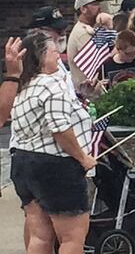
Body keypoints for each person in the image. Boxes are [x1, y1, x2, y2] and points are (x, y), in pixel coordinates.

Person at [10, 33, 97, 254]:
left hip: (24, 162)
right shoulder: (52, 86)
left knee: (40, 236)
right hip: (56, 167)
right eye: (52, 50)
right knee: (71, 237)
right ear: (40, 57)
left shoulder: (24, 88)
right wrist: (82, 157)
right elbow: (60, 129)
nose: (59, 54)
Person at [67, 0, 106, 87]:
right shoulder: (82, 33)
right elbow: (98, 60)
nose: (99, 8)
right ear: (83, 9)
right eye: (95, 4)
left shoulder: (88, 29)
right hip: (88, 93)